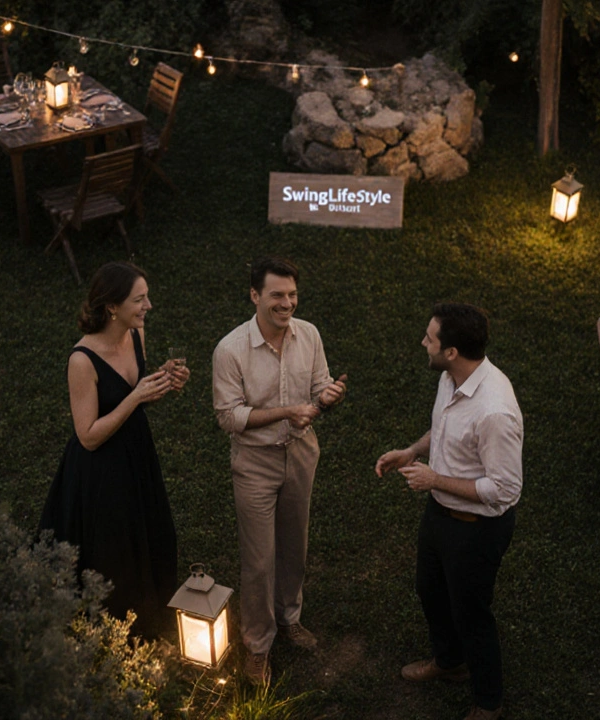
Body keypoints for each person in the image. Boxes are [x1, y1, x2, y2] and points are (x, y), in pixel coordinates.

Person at [374, 303, 523, 720]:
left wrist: (435, 480)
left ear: (452, 351)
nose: (424, 342)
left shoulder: (494, 411)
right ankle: (449, 662)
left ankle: (488, 702)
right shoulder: (450, 377)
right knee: (430, 590)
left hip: (477, 528)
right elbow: (442, 429)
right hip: (440, 514)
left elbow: (504, 489)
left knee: (471, 613)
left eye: (430, 338)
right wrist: (412, 452)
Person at [212, 256, 347, 684]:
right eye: (276, 295)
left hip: (301, 454)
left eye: (291, 295)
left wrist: (328, 396)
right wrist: (288, 411)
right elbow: (228, 417)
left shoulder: (309, 334)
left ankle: (289, 616)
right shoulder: (230, 349)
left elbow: (318, 386)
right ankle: (257, 644)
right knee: (258, 558)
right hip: (255, 462)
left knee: (295, 542)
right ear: (255, 296)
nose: (286, 303)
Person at [39, 261, 190, 640]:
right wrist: (137, 396)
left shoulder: (135, 334)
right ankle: (115, 632)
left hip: (136, 452)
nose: (148, 306)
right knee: (114, 551)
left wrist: (160, 381)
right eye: (139, 299)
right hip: (100, 468)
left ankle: (149, 615)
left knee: (149, 532)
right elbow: (88, 435)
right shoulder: (81, 360)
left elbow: (133, 397)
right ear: (112, 307)